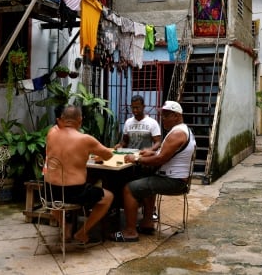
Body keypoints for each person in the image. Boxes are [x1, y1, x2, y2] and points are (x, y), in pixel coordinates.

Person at [110, 100, 196, 242]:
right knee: (145, 176)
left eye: (166, 116)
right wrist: (150, 154)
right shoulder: (181, 130)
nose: (163, 119)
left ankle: (130, 232)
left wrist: (136, 160)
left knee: (129, 188)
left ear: (176, 116)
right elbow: (165, 154)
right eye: (162, 115)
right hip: (174, 178)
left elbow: (160, 160)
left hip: (173, 181)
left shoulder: (177, 134)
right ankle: (147, 223)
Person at [45, 105, 114, 245]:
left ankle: (65, 227)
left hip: (49, 191)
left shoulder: (51, 133)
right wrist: (95, 154)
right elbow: (108, 155)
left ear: (61, 119)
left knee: (55, 200)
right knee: (108, 197)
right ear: (80, 120)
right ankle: (82, 233)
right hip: (74, 192)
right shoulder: (85, 139)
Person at [114, 95, 162, 220]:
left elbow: (158, 142)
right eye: (133, 108)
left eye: (137, 107)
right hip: (130, 160)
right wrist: (119, 145)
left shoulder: (152, 123)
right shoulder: (128, 122)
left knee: (146, 186)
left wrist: (150, 150)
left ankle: (151, 211)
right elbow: (125, 141)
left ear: (143, 107)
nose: (135, 110)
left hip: (145, 161)